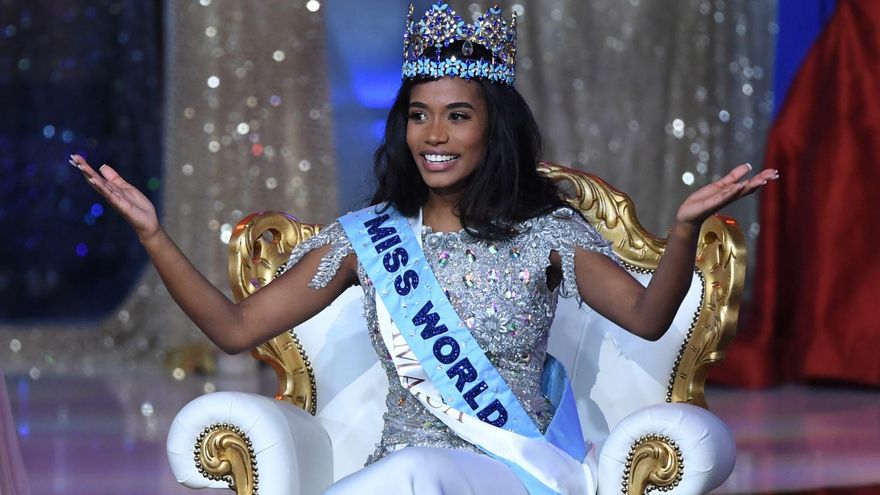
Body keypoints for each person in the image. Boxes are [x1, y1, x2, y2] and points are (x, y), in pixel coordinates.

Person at [73, 2, 777, 494]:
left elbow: (651, 317)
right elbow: (234, 328)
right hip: (400, 472)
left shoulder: (548, 235)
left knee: (422, 477)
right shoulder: (364, 239)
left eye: (457, 116)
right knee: (413, 475)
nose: (434, 135)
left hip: (513, 471)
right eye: (419, 115)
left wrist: (682, 230)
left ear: (490, 128)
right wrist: (153, 235)